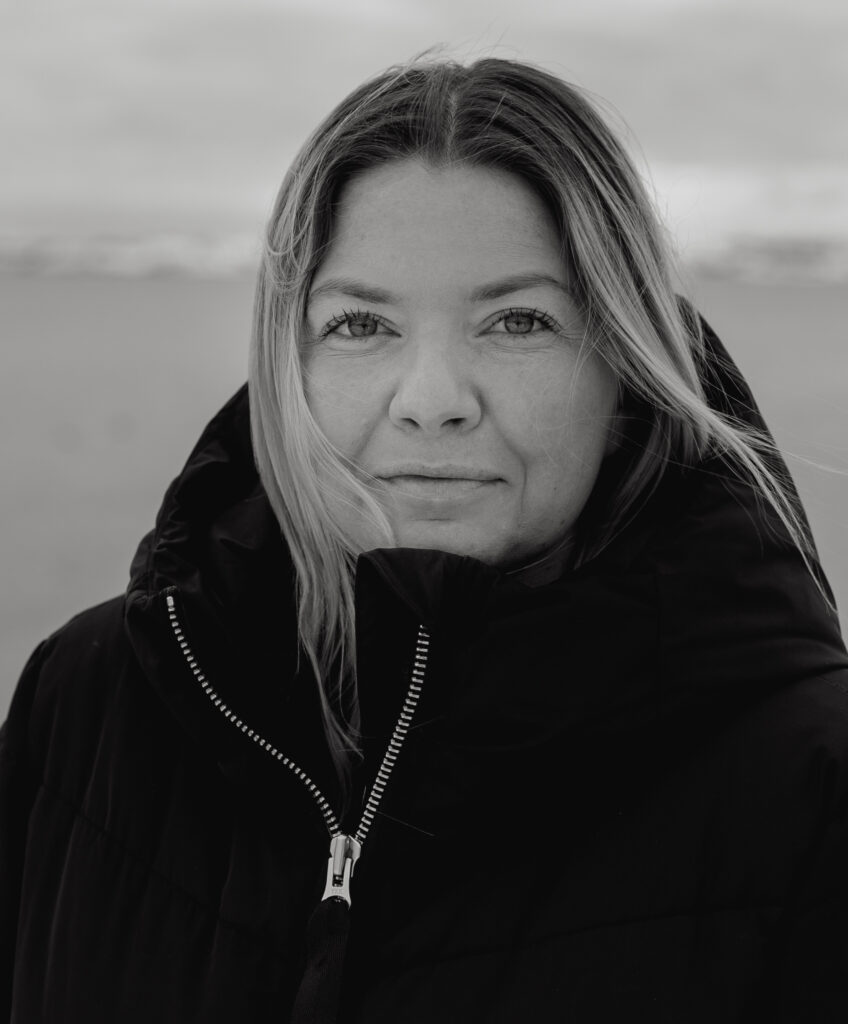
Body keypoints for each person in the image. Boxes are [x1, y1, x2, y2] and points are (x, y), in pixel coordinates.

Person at [2, 55, 847, 1024]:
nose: (433, 400)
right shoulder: (91, 700)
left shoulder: (808, 784)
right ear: (287, 364)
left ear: (625, 369)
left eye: (517, 321)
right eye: (360, 324)